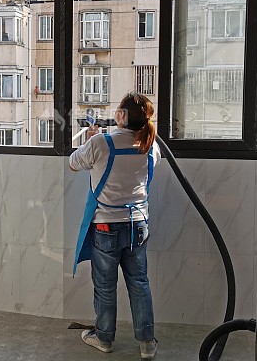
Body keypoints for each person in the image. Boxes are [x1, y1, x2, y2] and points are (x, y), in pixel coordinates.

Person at [70, 92, 160, 360]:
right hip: (138, 226)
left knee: (105, 287)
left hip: (106, 227)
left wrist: (89, 140)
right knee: (140, 283)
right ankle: (147, 343)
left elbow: (73, 163)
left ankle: (104, 338)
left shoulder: (101, 142)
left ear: (121, 115)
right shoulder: (150, 145)